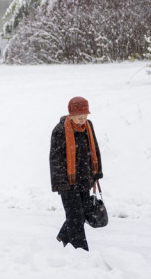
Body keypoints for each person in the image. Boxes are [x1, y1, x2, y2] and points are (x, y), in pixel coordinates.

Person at [49, 96, 103, 251]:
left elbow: (95, 150)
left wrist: (96, 173)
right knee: (75, 217)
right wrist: (61, 183)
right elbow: (56, 159)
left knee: (83, 213)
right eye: (79, 117)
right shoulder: (59, 131)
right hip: (67, 181)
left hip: (85, 179)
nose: (82, 120)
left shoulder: (88, 126)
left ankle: (64, 235)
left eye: (85, 116)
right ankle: (81, 251)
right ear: (71, 114)